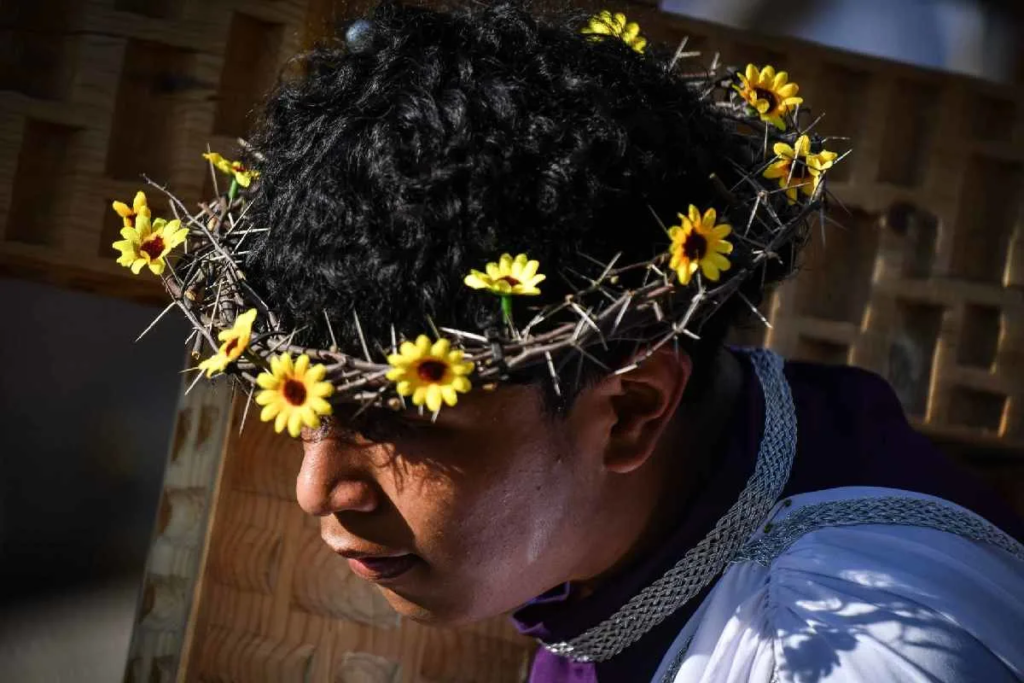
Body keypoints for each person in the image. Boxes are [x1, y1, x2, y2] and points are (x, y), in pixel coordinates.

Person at [179, 1, 1024, 680]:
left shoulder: (838, 656)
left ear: (631, 409)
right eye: (307, 403)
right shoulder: (673, 507)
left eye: (401, 417)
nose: (316, 489)